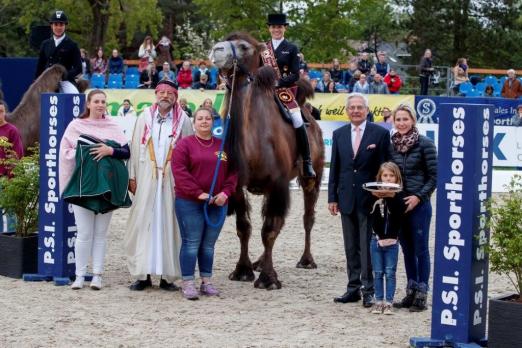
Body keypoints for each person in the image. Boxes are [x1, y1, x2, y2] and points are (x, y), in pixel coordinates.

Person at [125, 80, 194, 291]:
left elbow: (189, 153)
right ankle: (142, 275)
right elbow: (135, 147)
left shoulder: (184, 121)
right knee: (142, 223)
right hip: (147, 178)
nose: (165, 96)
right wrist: (132, 176)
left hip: (172, 181)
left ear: (175, 96)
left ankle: (167, 276)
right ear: (156, 94)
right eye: (161, 92)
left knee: (170, 225)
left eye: (169, 93)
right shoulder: (144, 117)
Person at [59, 90, 130, 290]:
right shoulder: (76, 126)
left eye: (103, 102)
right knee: (83, 233)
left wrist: (110, 150)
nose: (100, 104)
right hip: (83, 186)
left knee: (100, 234)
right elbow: (64, 152)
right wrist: (83, 152)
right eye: (96, 101)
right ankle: (80, 276)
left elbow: (127, 151)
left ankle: (97, 275)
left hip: (106, 186)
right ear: (88, 104)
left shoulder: (113, 126)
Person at [328, 93, 390, 307]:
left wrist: (382, 193)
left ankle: (368, 289)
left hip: (369, 199)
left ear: (366, 110)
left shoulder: (380, 133)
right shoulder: (338, 134)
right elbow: (335, 168)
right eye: (352, 107)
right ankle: (352, 287)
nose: (355, 110)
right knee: (350, 246)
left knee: (366, 245)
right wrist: (332, 197)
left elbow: (385, 167)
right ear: (347, 110)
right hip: (345, 198)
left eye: (359, 107)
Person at [172, 107, 238, 300]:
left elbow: (233, 173)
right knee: (191, 243)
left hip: (217, 203)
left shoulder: (223, 146)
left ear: (213, 122)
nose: (203, 121)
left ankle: (206, 282)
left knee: (208, 246)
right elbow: (180, 172)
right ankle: (187, 283)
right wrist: (198, 193)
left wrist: (225, 193)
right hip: (189, 203)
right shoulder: (185, 145)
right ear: (194, 122)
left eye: (207, 118)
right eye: (200, 118)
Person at [388, 104, 437, 312]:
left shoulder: (425, 144)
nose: (401, 123)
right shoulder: (390, 145)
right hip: (399, 205)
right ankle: (411, 289)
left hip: (419, 205)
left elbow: (434, 176)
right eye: (398, 119)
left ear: (413, 121)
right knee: (406, 249)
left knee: (420, 249)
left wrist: (418, 196)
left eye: (405, 119)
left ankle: (422, 293)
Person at [263, 13, 315, 178]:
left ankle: (306, 162)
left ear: (284, 28)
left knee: (297, 118)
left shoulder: (291, 48)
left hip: (284, 91)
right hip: (264, 92)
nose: (276, 29)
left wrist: (279, 83)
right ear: (269, 28)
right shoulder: (263, 49)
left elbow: (295, 75)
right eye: (273, 27)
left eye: (279, 27)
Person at [368, 162, 406, 315]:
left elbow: (400, 212)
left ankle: (389, 302)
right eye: (385, 175)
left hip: (392, 242)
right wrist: (373, 195)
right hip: (375, 240)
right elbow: (367, 211)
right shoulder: (372, 193)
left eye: (391, 176)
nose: (388, 179)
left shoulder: (400, 195)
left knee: (390, 272)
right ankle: (378, 301)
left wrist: (392, 196)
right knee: (377, 272)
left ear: (397, 179)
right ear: (380, 177)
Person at [35, 10, 82, 94]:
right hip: (48, 81)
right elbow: (40, 66)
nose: (58, 27)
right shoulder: (45, 44)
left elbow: (78, 68)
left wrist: (63, 76)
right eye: (56, 24)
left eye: (61, 25)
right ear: (51, 26)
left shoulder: (72, 45)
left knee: (74, 95)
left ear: (65, 26)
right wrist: (37, 82)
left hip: (65, 81)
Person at [0, 100, 24, 233]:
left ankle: (11, 241)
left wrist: (12, 178)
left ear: (5, 113)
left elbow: (17, 155)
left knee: (9, 212)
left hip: (5, 179)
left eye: (1, 111)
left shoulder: (11, 130)